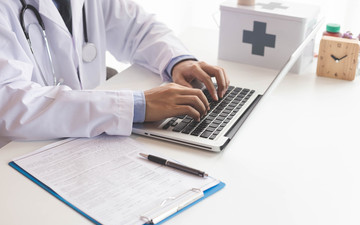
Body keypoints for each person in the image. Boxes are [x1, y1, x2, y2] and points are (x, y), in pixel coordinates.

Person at [0, 0, 229, 148]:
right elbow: (9, 102)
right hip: (21, 153)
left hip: (88, 144)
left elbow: (138, 27)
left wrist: (178, 61)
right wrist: (136, 105)